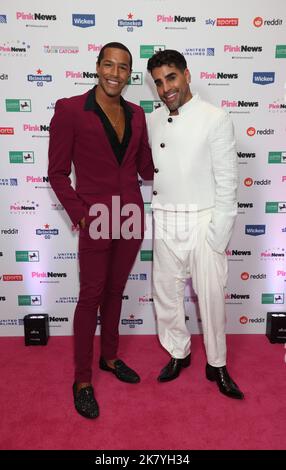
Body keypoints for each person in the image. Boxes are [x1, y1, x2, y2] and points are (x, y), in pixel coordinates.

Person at [48, 42, 154, 419]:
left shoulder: (139, 114)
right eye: (108, 64)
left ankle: (109, 357)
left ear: (130, 74)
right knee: (90, 296)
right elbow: (57, 173)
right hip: (94, 218)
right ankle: (81, 380)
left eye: (122, 67)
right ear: (97, 67)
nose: (115, 72)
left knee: (116, 291)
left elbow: (146, 168)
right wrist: (80, 214)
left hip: (130, 216)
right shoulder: (70, 109)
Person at [147, 50, 244, 399]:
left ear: (187, 75)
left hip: (204, 220)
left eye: (171, 77)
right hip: (167, 219)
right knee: (167, 297)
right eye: (158, 82)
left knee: (213, 298)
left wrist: (218, 235)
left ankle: (217, 363)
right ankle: (178, 352)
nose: (165, 87)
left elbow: (228, 180)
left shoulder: (214, 117)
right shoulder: (153, 119)